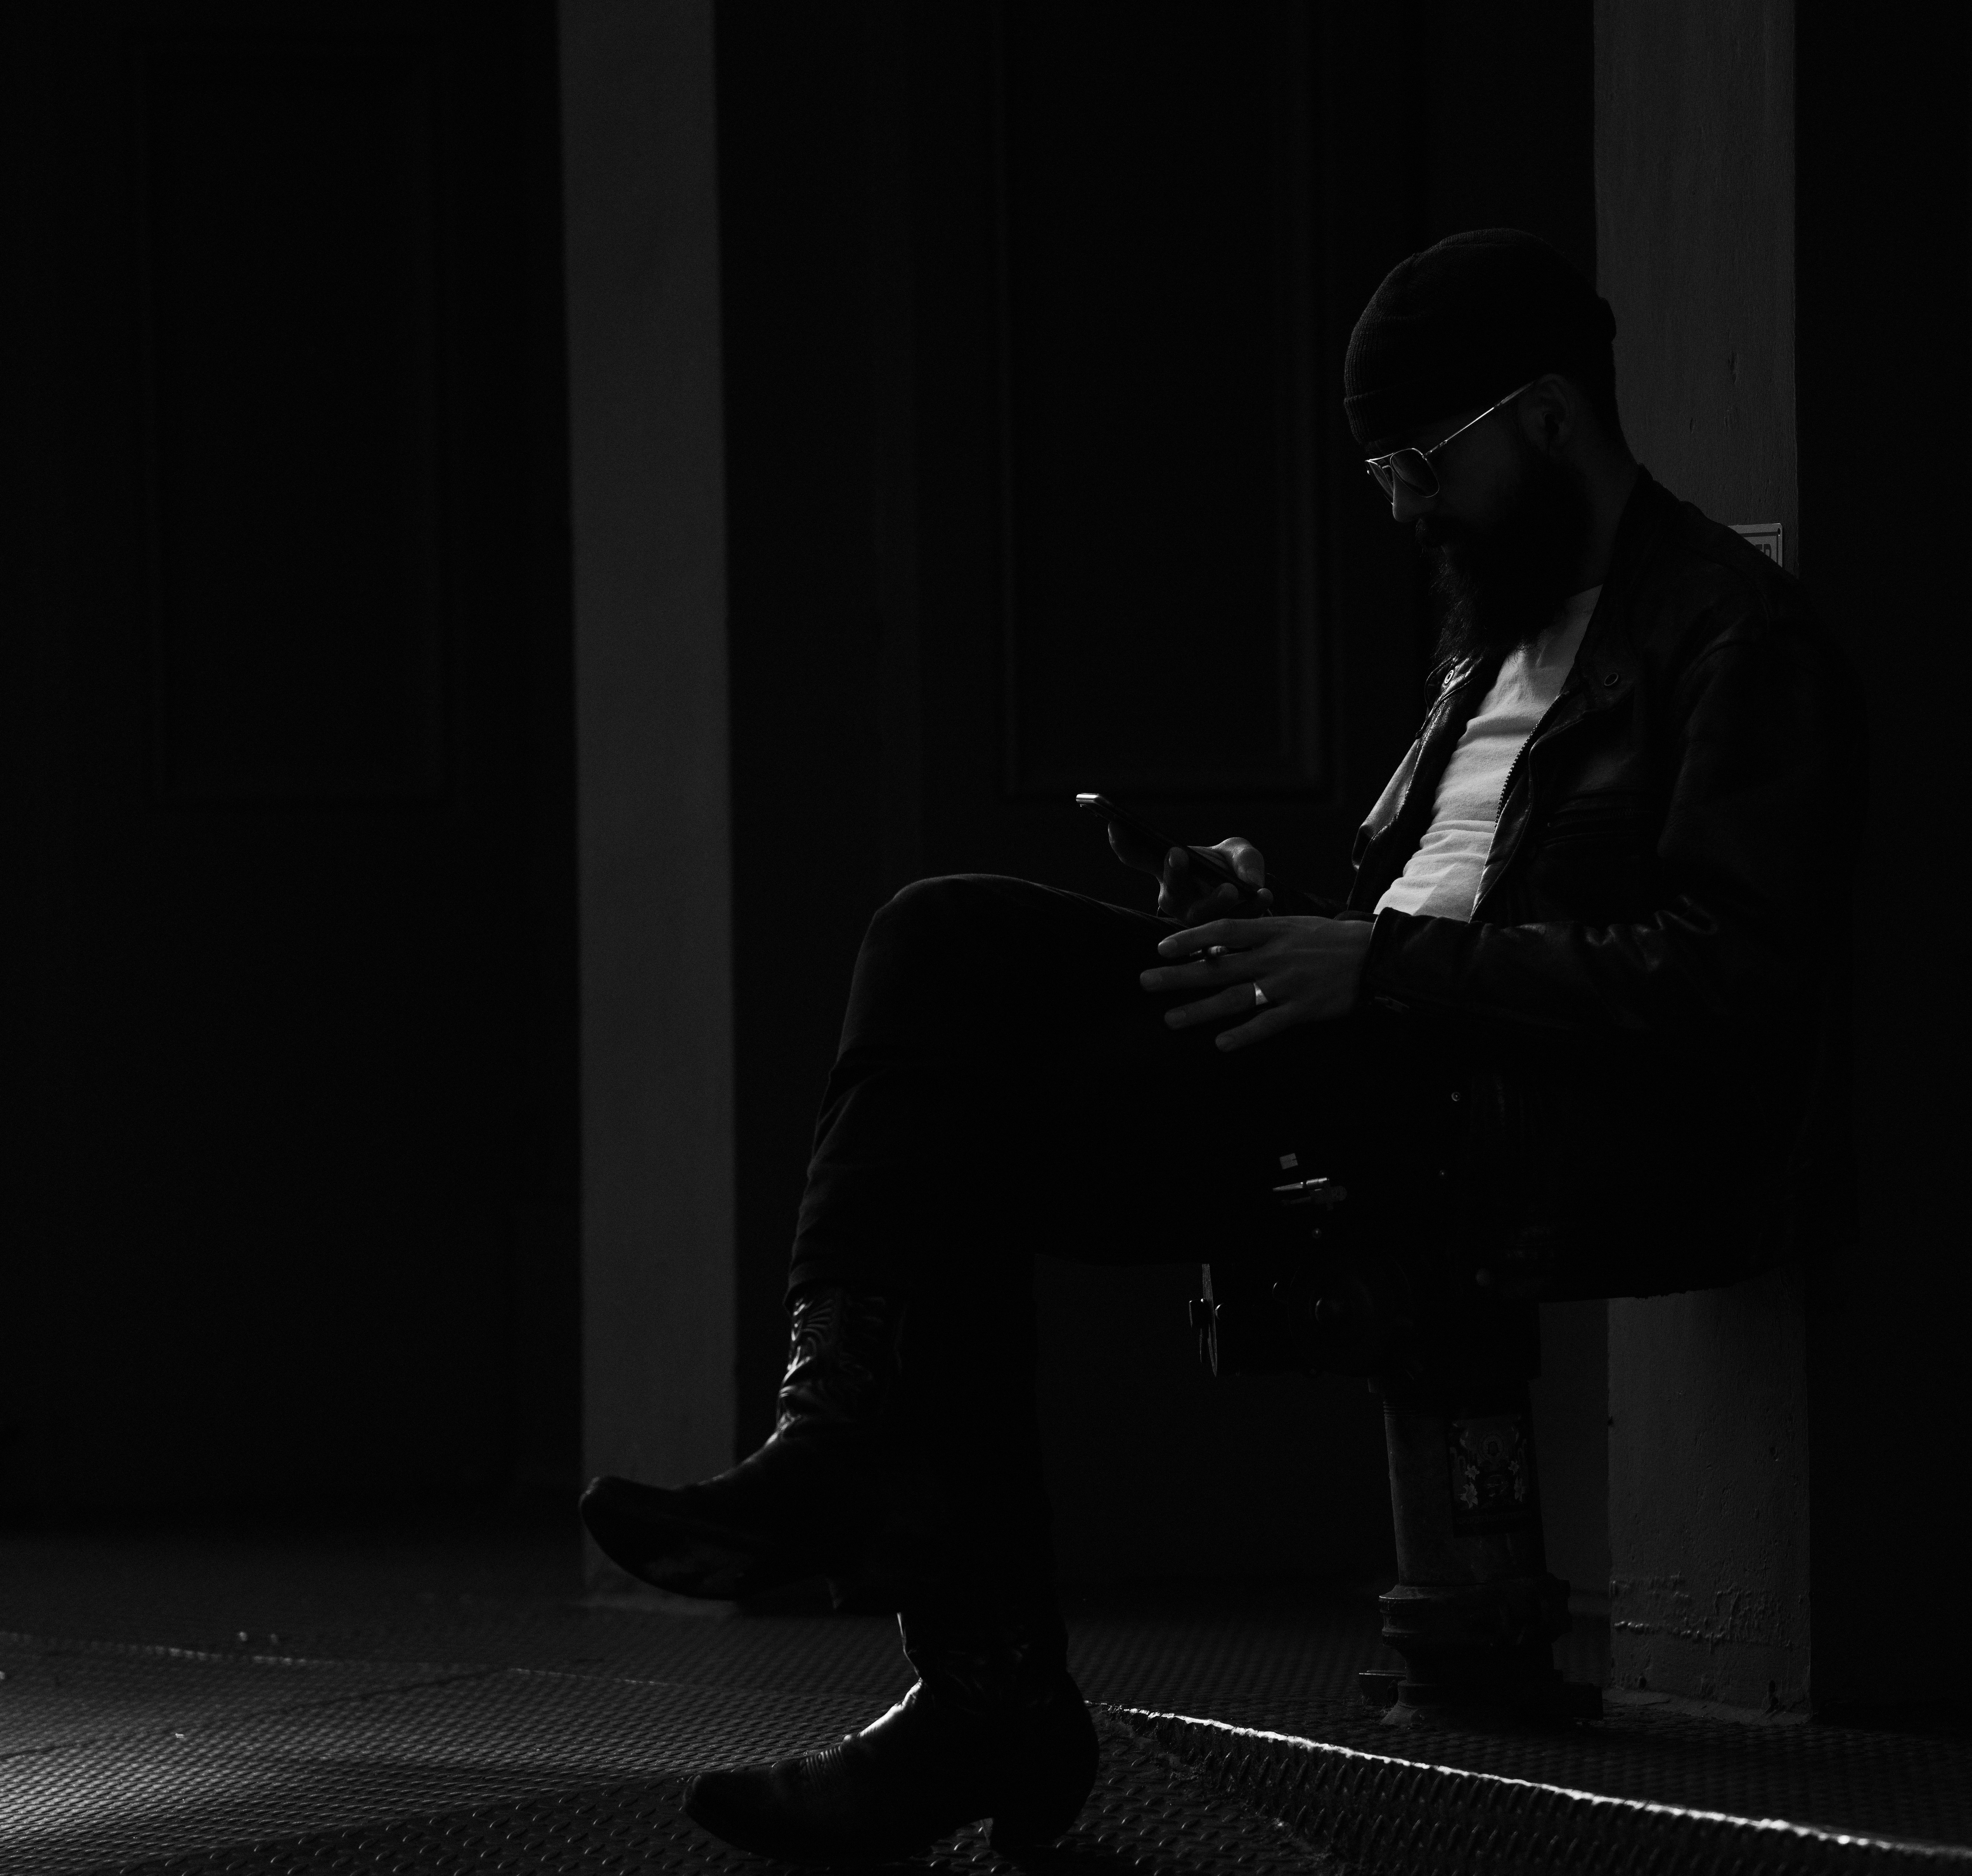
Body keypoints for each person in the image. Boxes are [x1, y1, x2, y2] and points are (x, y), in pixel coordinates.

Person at [579, 228, 1863, 1865]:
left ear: (1544, 420)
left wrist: (1373, 964)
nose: (1398, 504)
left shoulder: (1731, 639)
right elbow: (1445, 906)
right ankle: (898, 1543)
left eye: (1418, 462)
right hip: (1385, 1061)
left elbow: (1728, 982)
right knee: (941, 963)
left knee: (945, 1001)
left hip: (1510, 1119)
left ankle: (928, 1603)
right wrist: (1292, 917)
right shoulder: (1494, 624)